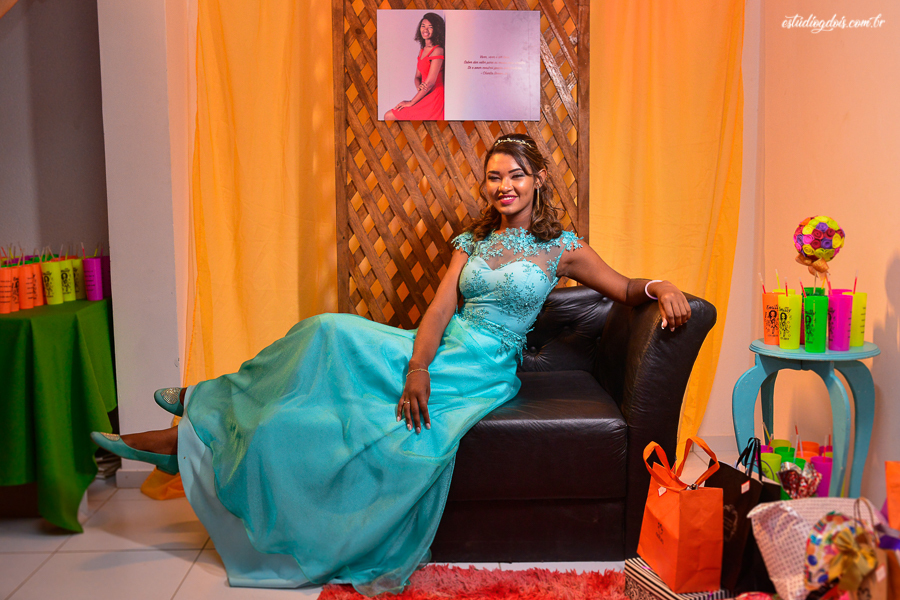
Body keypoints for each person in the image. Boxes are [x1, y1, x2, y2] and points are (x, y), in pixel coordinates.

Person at [92, 133, 691, 596]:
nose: (504, 186)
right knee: (326, 329)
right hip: (438, 349)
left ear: (538, 180)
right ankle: (207, 399)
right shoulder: (472, 243)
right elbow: (438, 310)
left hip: (482, 368)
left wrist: (661, 286)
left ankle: (180, 438)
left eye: (515, 175)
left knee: (325, 414)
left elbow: (622, 286)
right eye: (494, 176)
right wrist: (416, 369)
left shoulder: (560, 248)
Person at [384, 13, 445, 121]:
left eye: (430, 27)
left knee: (389, 116)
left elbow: (430, 82)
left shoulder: (438, 50)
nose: (425, 29)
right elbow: (417, 76)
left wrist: (411, 102)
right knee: (388, 116)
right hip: (425, 93)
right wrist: (419, 87)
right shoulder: (422, 51)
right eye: (423, 26)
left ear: (437, 29)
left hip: (435, 96)